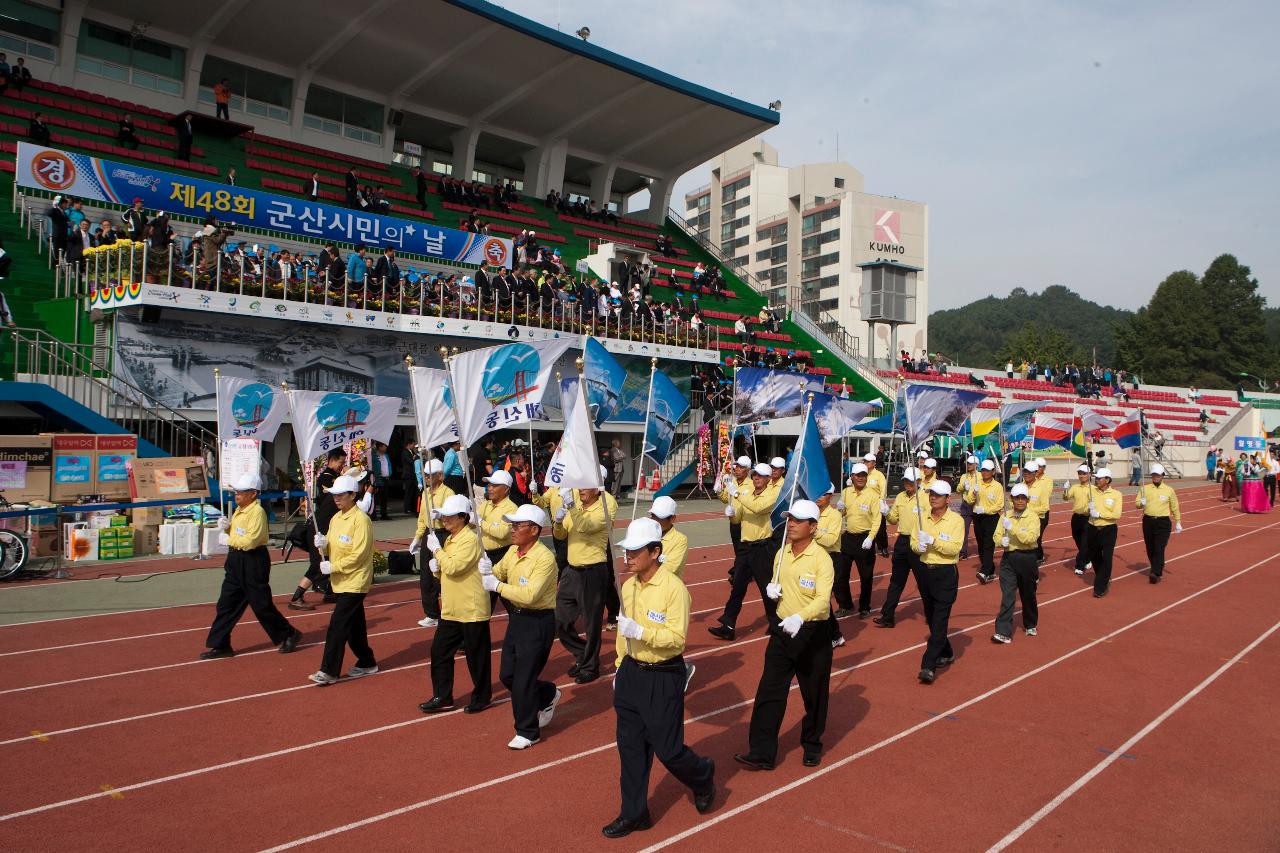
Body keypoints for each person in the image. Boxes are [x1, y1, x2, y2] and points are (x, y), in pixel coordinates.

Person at [603, 518, 716, 838]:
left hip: (663, 675)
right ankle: (634, 813)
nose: (629, 555)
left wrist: (642, 632)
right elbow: (623, 637)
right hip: (630, 675)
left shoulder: (674, 590)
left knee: (668, 749)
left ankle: (702, 774)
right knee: (630, 748)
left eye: (637, 550)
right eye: (628, 550)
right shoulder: (627, 586)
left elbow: (676, 639)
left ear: (655, 552)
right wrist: (620, 664)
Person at [735, 499, 835, 771]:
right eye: (789, 519)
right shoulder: (781, 553)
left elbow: (823, 601)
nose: (790, 524)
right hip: (782, 632)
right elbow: (778, 582)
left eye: (798, 520)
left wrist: (800, 617)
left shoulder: (822, 560)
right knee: (769, 691)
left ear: (813, 527)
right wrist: (772, 587)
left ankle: (812, 744)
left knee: (813, 694)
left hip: (812, 635)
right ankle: (761, 751)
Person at [481, 504, 561, 749]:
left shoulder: (545, 559)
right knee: (508, 675)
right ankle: (547, 694)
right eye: (512, 525)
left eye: (517, 525)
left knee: (524, 679)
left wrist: (496, 586)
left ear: (534, 530)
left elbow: (530, 595)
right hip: (516, 619)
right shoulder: (513, 551)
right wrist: (486, 570)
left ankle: (528, 731)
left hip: (538, 621)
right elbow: (498, 572)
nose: (512, 530)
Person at [200, 474, 302, 659]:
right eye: (236, 492)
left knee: (261, 605)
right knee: (226, 604)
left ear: (253, 494)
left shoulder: (257, 513)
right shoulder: (240, 510)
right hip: (236, 561)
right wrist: (227, 527)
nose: (236, 495)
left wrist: (228, 539)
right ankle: (221, 644)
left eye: (240, 492)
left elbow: (251, 540)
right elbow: (239, 534)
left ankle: (289, 633)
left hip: (253, 561)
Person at [419, 495, 492, 714]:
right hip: (452, 609)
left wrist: (437, 552)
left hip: (471, 608)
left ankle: (482, 696)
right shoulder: (451, 539)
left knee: (476, 657)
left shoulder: (470, 539)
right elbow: (447, 572)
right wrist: (436, 568)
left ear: (462, 517)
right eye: (443, 515)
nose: (444, 519)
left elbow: (455, 567)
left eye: (449, 516)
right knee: (439, 652)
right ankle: (443, 695)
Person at [308, 475, 378, 685]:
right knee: (354, 626)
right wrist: (323, 544)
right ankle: (367, 661)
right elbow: (333, 545)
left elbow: (359, 555)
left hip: (355, 581)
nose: (336, 499)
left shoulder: (361, 520)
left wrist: (334, 566)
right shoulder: (336, 518)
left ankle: (329, 670)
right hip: (341, 580)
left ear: (352, 495)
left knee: (337, 625)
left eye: (340, 495)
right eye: (334, 495)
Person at [554, 466, 619, 684]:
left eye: (585, 484)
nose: (580, 489)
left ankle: (591, 665)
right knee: (560, 620)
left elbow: (585, 527)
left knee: (591, 623)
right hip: (571, 570)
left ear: (597, 486)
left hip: (593, 570)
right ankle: (582, 654)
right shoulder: (576, 500)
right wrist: (558, 521)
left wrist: (571, 507)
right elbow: (563, 534)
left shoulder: (607, 503)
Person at [709, 462, 781, 640]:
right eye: (754, 475)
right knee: (737, 587)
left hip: (763, 547)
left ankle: (775, 623)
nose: (756, 478)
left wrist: (737, 494)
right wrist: (732, 513)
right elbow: (738, 519)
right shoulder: (747, 493)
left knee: (766, 589)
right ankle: (728, 624)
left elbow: (759, 508)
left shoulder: (773, 494)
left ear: (767, 479)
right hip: (745, 547)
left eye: (760, 476)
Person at [912, 481, 963, 684]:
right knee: (932, 618)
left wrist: (933, 541)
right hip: (926, 572)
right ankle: (947, 650)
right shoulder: (922, 518)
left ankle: (928, 664)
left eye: (938, 495)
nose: (933, 497)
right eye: (931, 494)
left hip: (945, 573)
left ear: (947, 499)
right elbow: (914, 544)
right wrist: (920, 546)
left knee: (940, 619)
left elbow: (954, 548)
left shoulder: (956, 521)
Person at [289, 448, 345, 610]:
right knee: (317, 564)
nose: (342, 466)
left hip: (324, 528)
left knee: (328, 559)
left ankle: (329, 591)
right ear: (332, 460)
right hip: (318, 529)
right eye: (340, 462)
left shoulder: (335, 480)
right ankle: (297, 596)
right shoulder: (327, 479)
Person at [990, 485, 1040, 644]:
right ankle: (1003, 631)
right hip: (1008, 559)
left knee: (1028, 594)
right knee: (1008, 595)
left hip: (1027, 558)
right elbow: (996, 536)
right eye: (1016, 497)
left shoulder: (1033, 517)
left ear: (1027, 500)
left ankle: (1030, 623)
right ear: (1011, 499)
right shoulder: (1005, 516)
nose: (1019, 501)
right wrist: (1000, 541)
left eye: (1023, 498)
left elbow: (1030, 538)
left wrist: (1012, 528)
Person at [874, 467, 922, 628]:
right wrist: (886, 512)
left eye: (911, 481)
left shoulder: (926, 498)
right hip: (902, 542)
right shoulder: (901, 496)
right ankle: (888, 616)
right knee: (896, 581)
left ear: (919, 482)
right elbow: (894, 519)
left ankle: (932, 614)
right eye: (905, 481)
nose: (907, 483)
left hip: (918, 542)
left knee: (924, 582)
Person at [411, 459, 455, 628]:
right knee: (426, 576)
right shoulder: (425, 493)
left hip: (443, 534)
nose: (426, 478)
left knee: (442, 574)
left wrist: (442, 517)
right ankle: (431, 613)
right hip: (429, 534)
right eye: (425, 475)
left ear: (439, 475)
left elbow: (454, 516)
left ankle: (449, 612)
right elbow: (423, 518)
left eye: (430, 475)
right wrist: (417, 538)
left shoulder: (448, 493)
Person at [837, 463, 881, 619]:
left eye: (863, 475)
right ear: (852, 477)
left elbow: (877, 519)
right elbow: (842, 514)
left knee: (866, 576)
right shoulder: (846, 492)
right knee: (841, 575)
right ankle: (845, 604)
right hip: (848, 538)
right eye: (858, 475)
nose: (861, 478)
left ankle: (864, 607)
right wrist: (840, 508)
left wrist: (871, 537)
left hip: (865, 538)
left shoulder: (873, 495)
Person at [1137, 463, 1181, 584]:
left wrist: (1178, 521)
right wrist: (1141, 502)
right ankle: (1157, 566)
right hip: (1148, 521)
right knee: (1150, 547)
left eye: (1158, 475)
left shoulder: (1169, 490)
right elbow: (1137, 504)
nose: (1155, 477)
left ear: (1162, 476)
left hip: (1163, 522)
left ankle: (1155, 572)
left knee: (1159, 548)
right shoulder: (1144, 489)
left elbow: (1174, 506)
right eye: (1153, 475)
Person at [969, 459, 1005, 584]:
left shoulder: (997, 486)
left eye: (987, 470)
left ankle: (984, 571)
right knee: (981, 544)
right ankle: (990, 570)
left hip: (991, 518)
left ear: (993, 472)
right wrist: (974, 492)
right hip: (978, 518)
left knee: (988, 544)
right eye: (982, 470)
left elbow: (999, 505)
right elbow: (969, 500)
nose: (984, 473)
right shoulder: (977, 483)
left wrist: (985, 509)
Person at [1087, 468, 1122, 598]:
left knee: (1107, 558)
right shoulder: (1091, 492)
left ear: (1107, 480)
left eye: (1100, 478)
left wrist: (1100, 514)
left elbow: (1116, 514)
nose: (1097, 480)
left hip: (1108, 529)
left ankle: (1100, 586)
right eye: (1096, 478)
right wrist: (1088, 508)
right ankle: (1102, 575)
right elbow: (1086, 509)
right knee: (1095, 557)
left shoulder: (1116, 494)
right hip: (1092, 528)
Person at [477, 469, 518, 565]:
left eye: (494, 485)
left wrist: (481, 522)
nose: (490, 488)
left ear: (506, 489)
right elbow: (473, 524)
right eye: (489, 485)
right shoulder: (485, 504)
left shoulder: (511, 508)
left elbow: (502, 532)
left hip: (502, 553)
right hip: (484, 552)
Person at [1064, 464, 1094, 576]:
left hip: (1088, 518)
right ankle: (1087, 558)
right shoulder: (1075, 487)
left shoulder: (1093, 488)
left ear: (1089, 474)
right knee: (1078, 540)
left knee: (1085, 542)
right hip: (1076, 518)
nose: (1081, 476)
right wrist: (1065, 489)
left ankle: (1079, 566)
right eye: (1080, 473)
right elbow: (1066, 498)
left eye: (1084, 473)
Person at [862, 451, 890, 557]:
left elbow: (883, 489)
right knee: (865, 526)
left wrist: (882, 501)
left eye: (868, 461)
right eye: (864, 461)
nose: (866, 463)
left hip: (877, 505)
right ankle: (867, 545)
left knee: (880, 528)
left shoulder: (879, 475)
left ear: (874, 463)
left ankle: (883, 547)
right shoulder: (861, 473)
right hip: (864, 504)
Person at [1026, 459, 1054, 564]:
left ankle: (1036, 557)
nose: (1038, 468)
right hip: (1026, 515)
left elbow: (1046, 496)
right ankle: (1039, 555)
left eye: (1040, 466)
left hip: (1040, 514)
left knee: (1037, 537)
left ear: (1044, 468)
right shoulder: (1025, 481)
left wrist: (1035, 486)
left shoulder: (1047, 480)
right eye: (1036, 466)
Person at [956, 456, 980, 560]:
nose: (969, 465)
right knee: (963, 529)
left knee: (979, 531)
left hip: (978, 505)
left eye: (971, 463)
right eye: (968, 463)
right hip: (966, 505)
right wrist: (963, 486)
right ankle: (963, 552)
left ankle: (983, 550)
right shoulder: (963, 476)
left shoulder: (980, 476)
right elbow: (957, 489)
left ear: (976, 465)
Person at [369, 442, 392, 520]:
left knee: (384, 497)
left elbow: (389, 465)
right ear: (380, 447)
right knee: (375, 497)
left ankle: (384, 514)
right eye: (384, 446)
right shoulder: (374, 456)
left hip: (385, 478)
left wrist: (389, 473)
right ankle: (373, 514)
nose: (386, 448)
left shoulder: (386, 455)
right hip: (377, 478)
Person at [400, 440, 420, 515]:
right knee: (408, 492)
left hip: (413, 474)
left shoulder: (412, 451)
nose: (414, 446)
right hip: (408, 474)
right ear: (409, 444)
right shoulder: (405, 452)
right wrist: (414, 458)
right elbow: (410, 461)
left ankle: (412, 507)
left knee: (413, 491)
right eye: (413, 444)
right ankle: (407, 508)